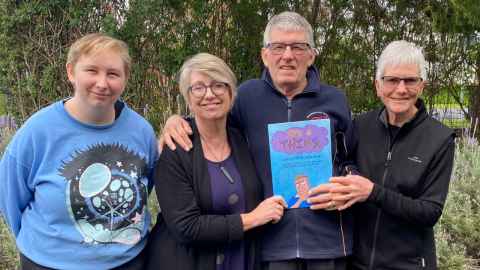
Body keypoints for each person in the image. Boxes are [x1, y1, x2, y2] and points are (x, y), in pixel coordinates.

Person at [160, 12, 356, 270]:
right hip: (269, 241)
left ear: (311, 55)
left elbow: (350, 158)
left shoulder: (335, 100)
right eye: (278, 47)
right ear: (265, 55)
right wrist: (177, 121)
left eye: (298, 47)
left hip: (327, 239)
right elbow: (212, 114)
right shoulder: (247, 97)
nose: (287, 55)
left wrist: (346, 187)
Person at [0, 33, 158, 270]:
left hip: (128, 263)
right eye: (92, 71)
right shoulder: (37, 132)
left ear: (125, 79)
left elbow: (148, 185)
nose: (102, 83)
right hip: (48, 264)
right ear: (71, 72)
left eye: (113, 73)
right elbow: (10, 196)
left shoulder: (141, 131)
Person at [146, 53, 287, 270]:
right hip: (186, 262)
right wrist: (252, 219)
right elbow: (186, 227)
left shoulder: (243, 140)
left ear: (231, 93)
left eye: (218, 85)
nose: (209, 94)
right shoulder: (174, 150)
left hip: (240, 260)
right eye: (199, 88)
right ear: (188, 99)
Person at [328, 40, 456, 269]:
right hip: (355, 262)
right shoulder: (360, 126)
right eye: (392, 80)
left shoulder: (439, 138)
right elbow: (345, 164)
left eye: (410, 80)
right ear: (378, 86)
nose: (401, 89)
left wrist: (373, 192)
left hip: (409, 264)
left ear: (422, 86)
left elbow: (430, 211)